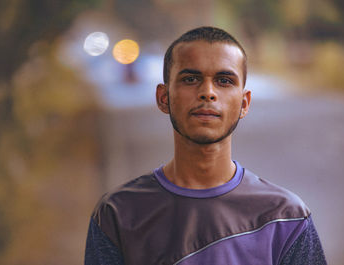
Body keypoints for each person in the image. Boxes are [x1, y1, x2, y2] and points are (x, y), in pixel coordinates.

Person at [84, 26, 327, 265]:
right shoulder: (117, 214)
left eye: (224, 80)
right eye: (190, 79)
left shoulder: (286, 217)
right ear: (163, 98)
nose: (208, 93)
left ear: (244, 103)